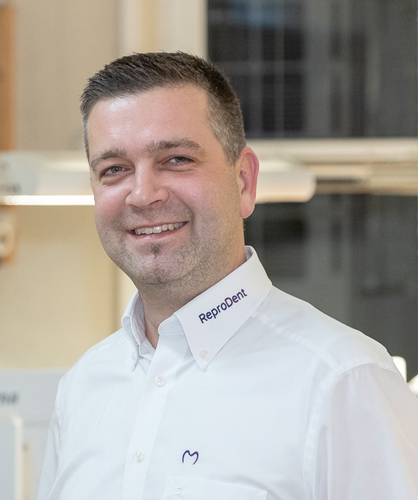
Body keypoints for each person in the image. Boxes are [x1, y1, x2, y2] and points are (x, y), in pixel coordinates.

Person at [37, 52, 418, 500]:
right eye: (114, 169)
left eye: (176, 159)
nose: (142, 194)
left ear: (243, 182)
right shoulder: (82, 388)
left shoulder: (343, 381)